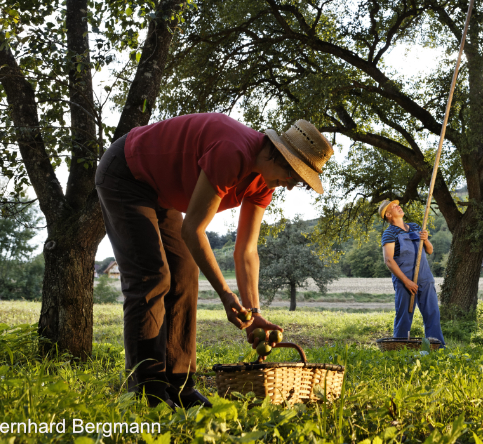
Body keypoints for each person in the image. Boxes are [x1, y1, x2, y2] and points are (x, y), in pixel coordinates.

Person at [95, 113, 333, 408]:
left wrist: (253, 312)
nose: (290, 186)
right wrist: (225, 294)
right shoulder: (232, 151)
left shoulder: (263, 183)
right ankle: (148, 391)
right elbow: (193, 230)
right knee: (152, 277)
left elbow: (246, 250)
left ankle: (180, 387)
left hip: (160, 193)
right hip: (127, 172)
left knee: (184, 275)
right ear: (277, 154)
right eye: (293, 176)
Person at [378, 200, 445, 346]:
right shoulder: (389, 233)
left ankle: (437, 349)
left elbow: (430, 250)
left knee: (432, 314)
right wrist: (406, 282)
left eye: (398, 205)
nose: (399, 206)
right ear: (388, 214)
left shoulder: (414, 227)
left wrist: (426, 240)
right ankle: (399, 350)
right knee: (404, 317)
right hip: (405, 281)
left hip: (425, 278)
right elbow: (389, 260)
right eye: (394, 207)